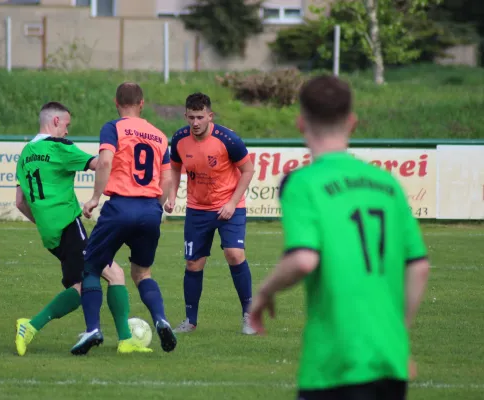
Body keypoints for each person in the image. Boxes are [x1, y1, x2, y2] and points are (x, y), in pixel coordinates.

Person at [249, 75, 430, 400]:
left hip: (334, 362)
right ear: (352, 122)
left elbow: (304, 259)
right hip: (390, 359)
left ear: (301, 122)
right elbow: (418, 267)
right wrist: (398, 335)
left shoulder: (302, 183)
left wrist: (264, 292)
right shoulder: (387, 184)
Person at [14, 101, 140, 356]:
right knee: (105, 276)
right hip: (69, 226)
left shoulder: (26, 153)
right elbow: (100, 164)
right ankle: (31, 325)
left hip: (50, 233)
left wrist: (43, 222)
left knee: (96, 280)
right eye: (67, 125)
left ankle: (122, 340)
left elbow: (19, 202)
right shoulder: (59, 147)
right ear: (56, 121)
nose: (68, 132)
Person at [70, 82, 177, 355]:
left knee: (91, 268)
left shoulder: (114, 127)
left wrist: (95, 198)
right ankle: (161, 319)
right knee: (142, 273)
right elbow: (167, 178)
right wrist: (156, 207)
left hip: (120, 207)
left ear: (116, 103)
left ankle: (93, 328)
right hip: (150, 210)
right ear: (142, 103)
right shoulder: (159, 135)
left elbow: (105, 161)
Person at [164, 92, 256, 335]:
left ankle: (249, 316)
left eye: (200, 117)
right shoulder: (180, 139)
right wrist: (172, 195)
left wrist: (232, 202)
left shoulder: (228, 139)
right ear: (185, 116)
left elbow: (247, 170)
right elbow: (174, 167)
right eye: (191, 117)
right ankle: (190, 321)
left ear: (210, 116)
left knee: (234, 254)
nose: (195, 123)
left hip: (229, 206)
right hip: (197, 208)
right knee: (193, 263)